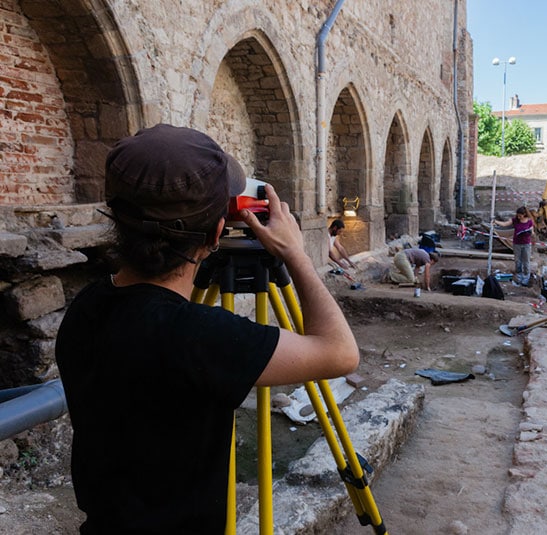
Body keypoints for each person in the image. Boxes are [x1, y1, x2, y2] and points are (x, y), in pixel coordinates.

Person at [55, 124, 360, 534]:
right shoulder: (198, 337)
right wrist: (295, 252)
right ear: (218, 231)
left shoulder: (86, 307)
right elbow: (341, 352)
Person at [494, 206, 534, 286]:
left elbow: (532, 232)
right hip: (517, 244)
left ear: (524, 214)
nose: (519, 217)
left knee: (526, 262)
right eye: (518, 215)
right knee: (518, 261)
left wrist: (529, 232)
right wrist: (495, 221)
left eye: (520, 216)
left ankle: (526, 278)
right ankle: (519, 278)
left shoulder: (529, 221)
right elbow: (505, 224)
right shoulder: (515, 220)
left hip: (526, 244)